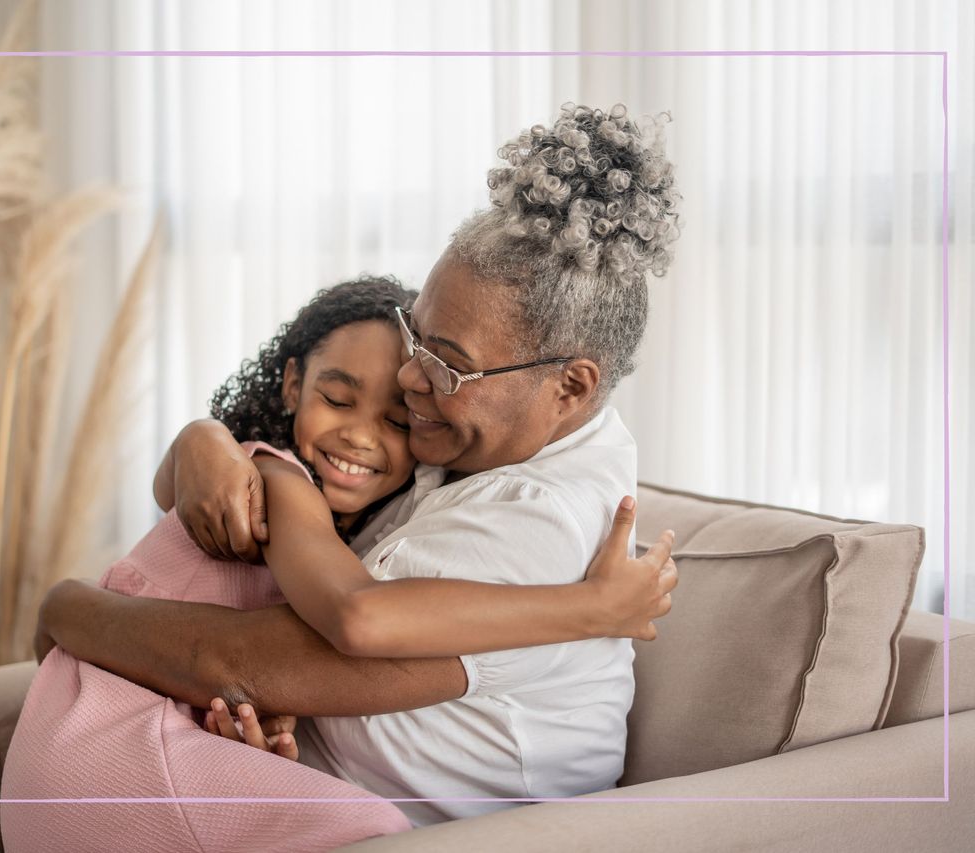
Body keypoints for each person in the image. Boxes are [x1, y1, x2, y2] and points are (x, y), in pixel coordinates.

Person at [35, 101, 682, 825]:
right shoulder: (493, 443)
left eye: (449, 366)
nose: (410, 381)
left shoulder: (539, 526)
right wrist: (202, 439)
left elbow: (298, 640)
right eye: (419, 337)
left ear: (570, 386)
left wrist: (67, 605)